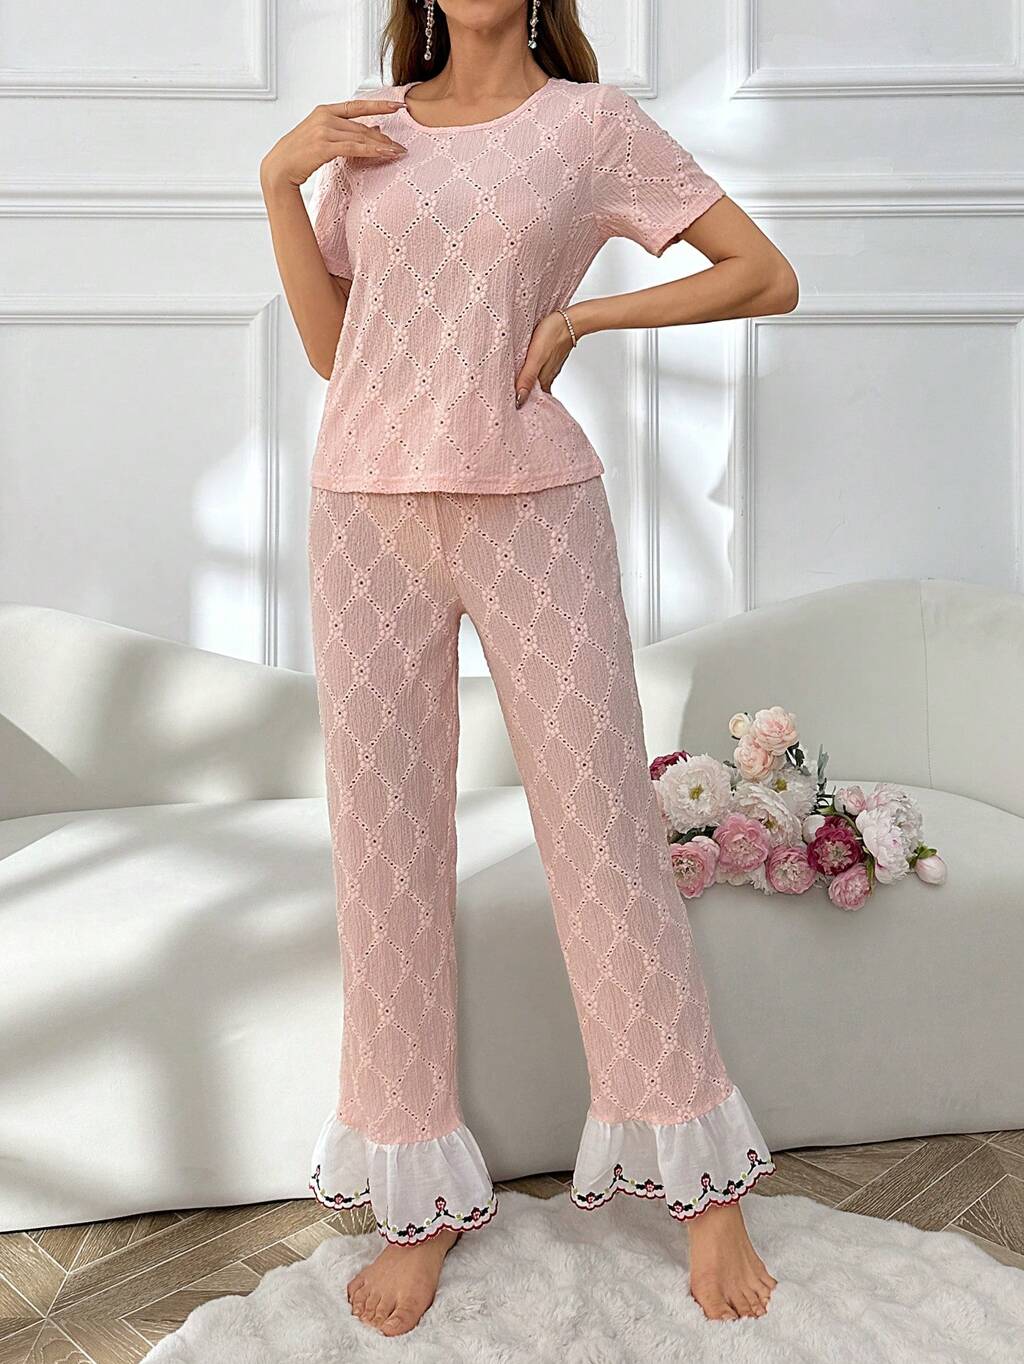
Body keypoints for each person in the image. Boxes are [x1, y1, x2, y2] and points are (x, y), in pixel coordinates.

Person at [260, 0, 798, 1339]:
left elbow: (762, 273)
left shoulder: (589, 124)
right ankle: (416, 1198)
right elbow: (335, 351)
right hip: (364, 509)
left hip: (533, 504)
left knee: (601, 826)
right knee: (382, 847)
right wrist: (280, 182)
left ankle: (704, 1185)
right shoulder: (368, 133)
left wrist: (587, 318)